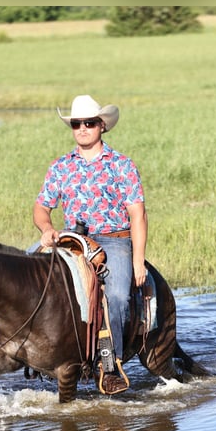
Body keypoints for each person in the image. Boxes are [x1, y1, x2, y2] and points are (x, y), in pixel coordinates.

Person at [33, 94, 148, 394]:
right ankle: (21, 347)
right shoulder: (60, 167)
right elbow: (41, 207)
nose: (82, 128)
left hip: (115, 240)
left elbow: (138, 214)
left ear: (101, 126)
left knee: (120, 295)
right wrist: (46, 228)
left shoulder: (121, 165)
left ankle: (112, 365)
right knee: (28, 275)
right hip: (73, 239)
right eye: (76, 124)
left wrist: (138, 259)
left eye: (88, 123)